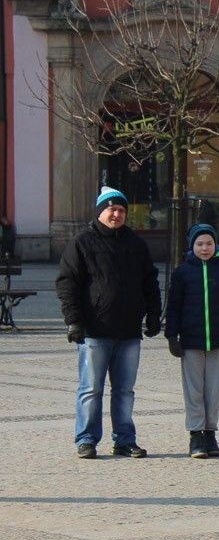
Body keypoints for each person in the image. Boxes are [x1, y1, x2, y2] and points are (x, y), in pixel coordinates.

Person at [56, 186, 161, 459]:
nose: (116, 214)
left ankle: (124, 440)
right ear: (101, 211)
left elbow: (150, 281)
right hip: (95, 330)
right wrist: (74, 321)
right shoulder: (82, 242)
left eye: (121, 210)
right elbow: (68, 283)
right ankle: (87, 439)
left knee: (124, 391)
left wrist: (153, 314)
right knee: (91, 389)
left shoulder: (136, 244)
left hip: (129, 332)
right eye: (111, 209)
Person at [165, 223, 219, 459]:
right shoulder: (182, 272)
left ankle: (210, 432)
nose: (205, 248)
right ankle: (195, 434)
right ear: (192, 246)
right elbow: (174, 307)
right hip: (190, 340)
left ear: (215, 244)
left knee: (213, 389)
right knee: (194, 390)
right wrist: (172, 335)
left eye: (209, 243)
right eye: (199, 244)